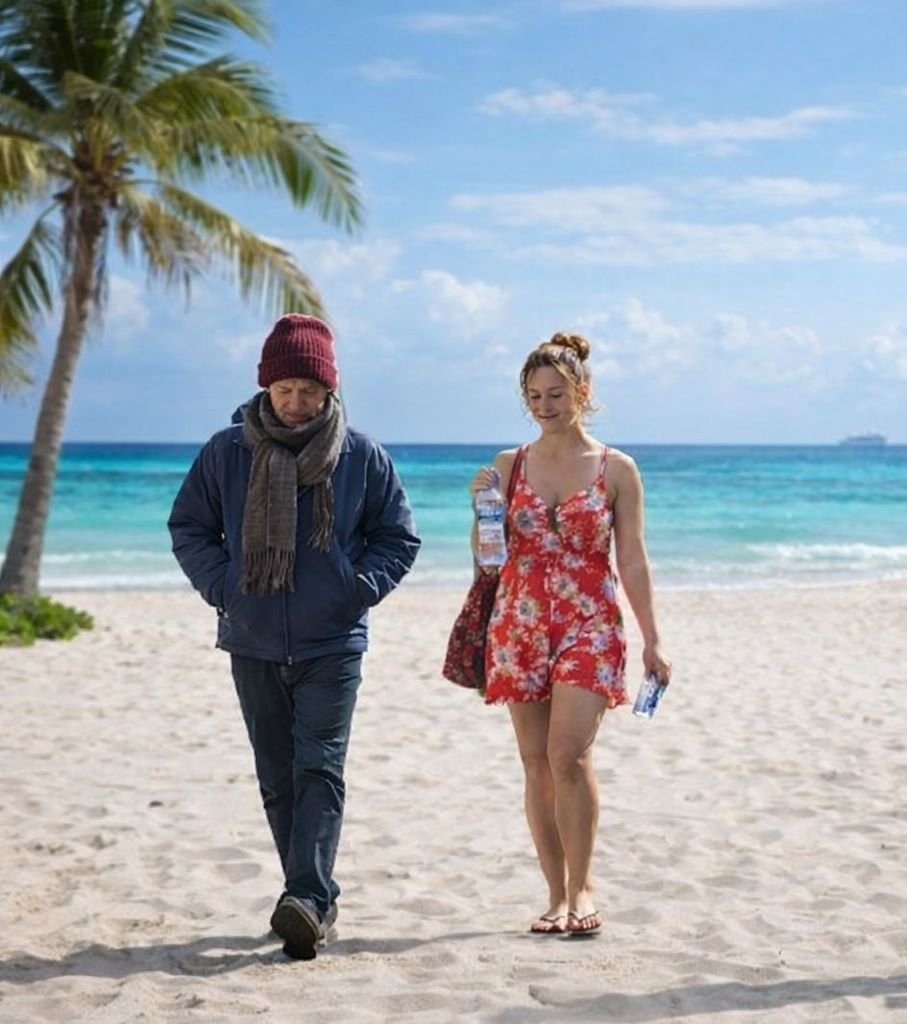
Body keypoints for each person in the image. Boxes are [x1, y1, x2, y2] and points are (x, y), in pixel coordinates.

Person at [168, 314, 420, 960]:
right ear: (266, 386)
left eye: (309, 389)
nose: (296, 402)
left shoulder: (360, 455)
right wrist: (225, 586)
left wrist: (354, 589)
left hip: (332, 642)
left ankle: (305, 896)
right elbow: (189, 527)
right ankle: (311, 898)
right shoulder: (226, 452)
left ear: (329, 388)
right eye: (284, 389)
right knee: (277, 776)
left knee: (320, 767)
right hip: (251, 638)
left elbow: (398, 537)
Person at [469, 331, 670, 938]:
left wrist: (653, 639)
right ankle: (555, 895)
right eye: (534, 396)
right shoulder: (509, 465)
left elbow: (632, 558)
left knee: (569, 756)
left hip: (590, 621)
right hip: (520, 622)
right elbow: (488, 559)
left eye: (556, 394)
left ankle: (583, 887)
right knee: (536, 763)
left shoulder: (617, 469)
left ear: (583, 392)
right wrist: (481, 510)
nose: (544, 406)